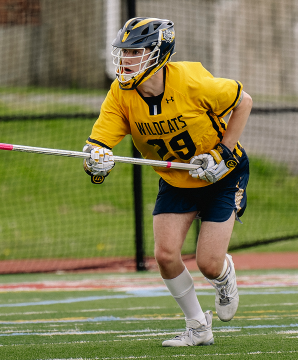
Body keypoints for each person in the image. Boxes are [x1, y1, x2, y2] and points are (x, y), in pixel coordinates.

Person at [82, 17, 251, 347]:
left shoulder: (191, 80)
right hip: (176, 180)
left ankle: (223, 275)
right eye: (123, 52)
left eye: (135, 52)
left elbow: (243, 101)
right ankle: (198, 326)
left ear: (159, 54)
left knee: (208, 264)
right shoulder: (120, 94)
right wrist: (97, 164)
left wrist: (223, 153)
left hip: (221, 177)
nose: (125, 60)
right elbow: (99, 148)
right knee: (165, 255)